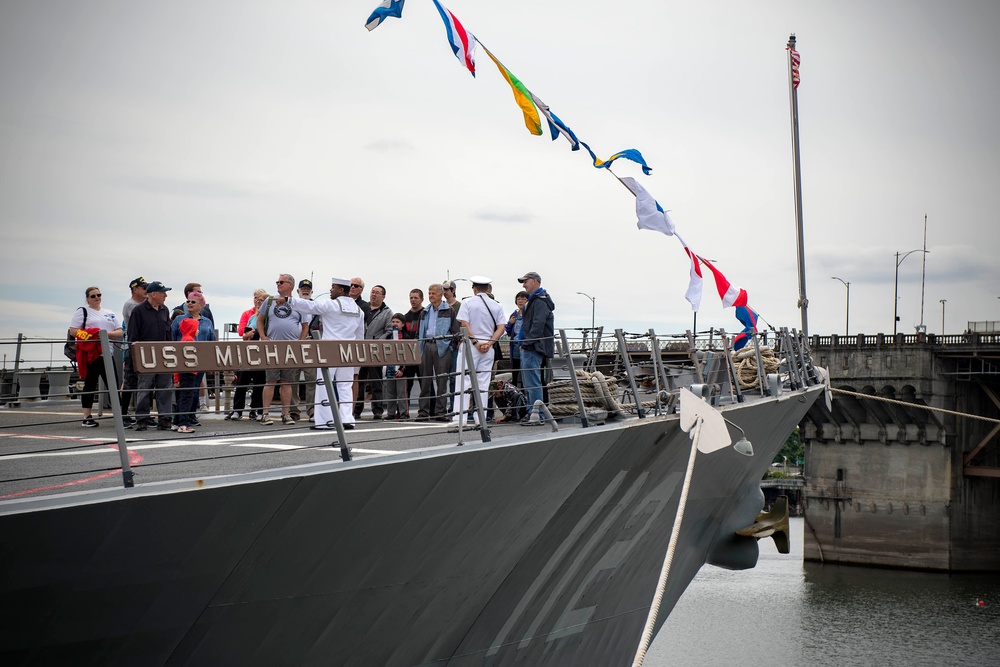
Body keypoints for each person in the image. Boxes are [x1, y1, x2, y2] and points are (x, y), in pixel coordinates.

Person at [284, 277, 365, 429]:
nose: (330, 290)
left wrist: (289, 301)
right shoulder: (358, 310)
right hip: (348, 350)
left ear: (341, 290)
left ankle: (324, 421)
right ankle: (347, 418)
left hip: (329, 349)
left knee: (323, 384)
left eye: (333, 287)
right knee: (345, 386)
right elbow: (360, 335)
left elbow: (310, 306)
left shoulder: (331, 305)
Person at [452, 277, 506, 429]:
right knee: (483, 383)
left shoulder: (467, 303)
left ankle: (459, 417)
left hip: (470, 345)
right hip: (488, 348)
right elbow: (501, 327)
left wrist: (475, 342)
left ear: (474, 288)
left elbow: (464, 323)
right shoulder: (496, 305)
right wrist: (489, 343)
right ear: (488, 289)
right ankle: (480, 417)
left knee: (464, 380)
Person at [256, 274, 308, 426]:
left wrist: (300, 342)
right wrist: (263, 336)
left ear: (290, 285)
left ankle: (286, 413)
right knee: (270, 380)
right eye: (277, 282)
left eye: (281, 282)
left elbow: (305, 325)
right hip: (272, 346)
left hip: (290, 347)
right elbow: (260, 319)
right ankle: (265, 414)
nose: (278, 284)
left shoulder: (298, 303)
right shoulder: (270, 300)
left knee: (286, 381)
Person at [69, 287, 124, 427]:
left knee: (114, 384)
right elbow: (73, 330)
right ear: (87, 298)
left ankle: (120, 415)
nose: (96, 298)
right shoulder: (82, 312)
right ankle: (86, 416)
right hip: (92, 353)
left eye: (99, 295)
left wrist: (106, 335)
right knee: (90, 385)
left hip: (108, 352)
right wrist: (90, 336)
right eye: (93, 296)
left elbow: (120, 331)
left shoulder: (109, 313)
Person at [127, 280, 173, 431]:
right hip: (145, 356)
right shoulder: (139, 311)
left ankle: (165, 419)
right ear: (154, 294)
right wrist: (135, 358)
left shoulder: (164, 310)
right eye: (163, 292)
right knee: (144, 388)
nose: (166, 295)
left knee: (165, 388)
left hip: (164, 356)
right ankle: (142, 418)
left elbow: (169, 334)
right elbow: (132, 336)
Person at [170, 291, 216, 433]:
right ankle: (182, 421)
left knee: (192, 390)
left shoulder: (207, 322)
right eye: (188, 301)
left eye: (193, 302)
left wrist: (211, 362)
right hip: (185, 361)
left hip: (200, 361)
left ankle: (181, 419)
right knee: (186, 392)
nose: (189, 303)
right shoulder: (180, 320)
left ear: (201, 305)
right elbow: (172, 338)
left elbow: (211, 341)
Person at [416, 283, 459, 421]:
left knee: (442, 381)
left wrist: (449, 345)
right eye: (429, 293)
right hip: (426, 345)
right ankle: (423, 412)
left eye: (433, 293)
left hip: (442, 346)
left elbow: (455, 330)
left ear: (440, 294)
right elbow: (419, 331)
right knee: (425, 381)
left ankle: (440, 412)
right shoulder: (424, 311)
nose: (430, 296)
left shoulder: (449, 310)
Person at [517, 271, 555, 424]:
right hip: (531, 346)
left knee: (532, 381)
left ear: (535, 281)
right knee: (529, 382)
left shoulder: (539, 301)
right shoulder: (536, 301)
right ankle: (531, 411)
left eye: (526, 281)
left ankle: (536, 414)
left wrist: (526, 343)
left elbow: (537, 325)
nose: (524, 285)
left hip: (533, 347)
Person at [354, 284, 393, 420]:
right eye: (372, 292)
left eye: (377, 293)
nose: (374, 295)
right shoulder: (362, 309)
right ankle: (356, 409)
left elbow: (389, 331)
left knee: (376, 382)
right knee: (358, 381)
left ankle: (377, 410)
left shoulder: (387, 312)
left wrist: (378, 342)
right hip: (360, 349)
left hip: (376, 350)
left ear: (383, 296)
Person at [228, 289, 267, 421]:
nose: (258, 301)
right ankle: (237, 410)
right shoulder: (249, 315)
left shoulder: (268, 316)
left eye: (261, 300)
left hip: (261, 352)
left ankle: (256, 410)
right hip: (248, 351)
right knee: (242, 381)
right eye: (256, 298)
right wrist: (248, 335)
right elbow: (242, 332)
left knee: (260, 383)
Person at [119, 276, 147, 427]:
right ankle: (123, 414)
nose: (146, 291)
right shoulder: (131, 305)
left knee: (144, 382)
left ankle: (143, 413)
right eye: (143, 288)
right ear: (135, 289)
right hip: (132, 346)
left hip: (144, 347)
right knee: (129, 382)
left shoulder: (144, 304)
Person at [401, 288, 424, 410]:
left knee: (425, 383)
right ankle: (405, 410)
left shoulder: (425, 314)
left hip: (421, 354)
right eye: (411, 297)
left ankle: (428, 409)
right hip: (408, 356)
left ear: (421, 299)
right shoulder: (405, 317)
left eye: (416, 298)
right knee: (407, 384)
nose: (413, 300)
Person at [383, 313, 409, 419]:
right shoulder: (388, 337)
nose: (395, 324)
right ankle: (391, 413)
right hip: (390, 368)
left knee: (401, 393)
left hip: (401, 370)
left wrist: (403, 369)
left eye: (397, 322)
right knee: (390, 393)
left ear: (402, 324)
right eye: (393, 322)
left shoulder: (406, 338)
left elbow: (408, 355)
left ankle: (403, 413)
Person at [505, 290, 529, 389]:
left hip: (525, 347)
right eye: (519, 299)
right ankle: (515, 396)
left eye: (523, 299)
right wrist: (510, 323)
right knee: (515, 373)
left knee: (525, 374)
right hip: (514, 348)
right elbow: (508, 330)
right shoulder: (514, 315)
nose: (521, 301)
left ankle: (524, 395)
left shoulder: (529, 314)